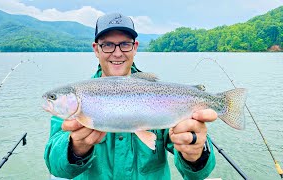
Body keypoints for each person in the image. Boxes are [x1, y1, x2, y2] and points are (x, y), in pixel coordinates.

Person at [44, 13, 217, 179]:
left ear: (135, 47)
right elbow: (55, 166)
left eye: (125, 44)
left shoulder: (158, 93)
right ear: (96, 49)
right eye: (108, 45)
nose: (117, 53)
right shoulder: (78, 101)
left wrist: (196, 154)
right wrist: (75, 148)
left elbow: (198, 175)